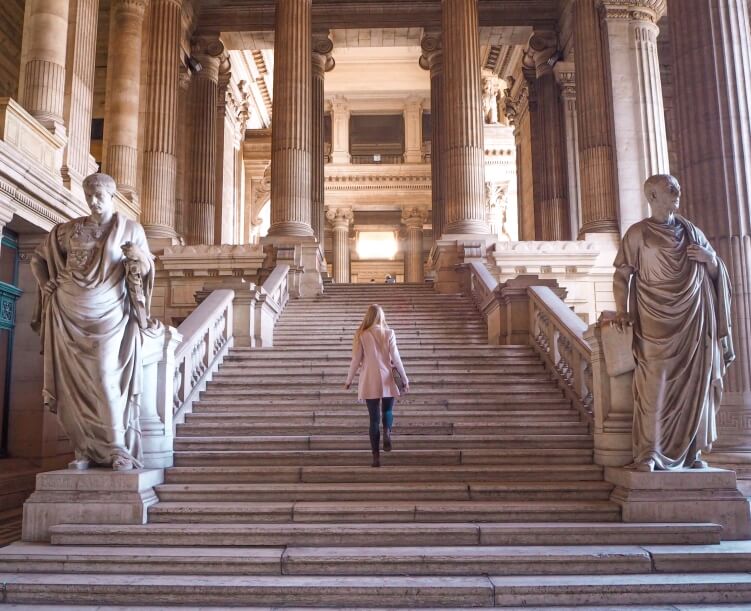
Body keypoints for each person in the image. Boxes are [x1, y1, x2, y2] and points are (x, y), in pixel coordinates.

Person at [30, 172, 156, 471]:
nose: (93, 202)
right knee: (72, 384)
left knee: (104, 377)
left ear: (112, 196)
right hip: (67, 311)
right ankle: (84, 448)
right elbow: (38, 259)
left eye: (99, 196)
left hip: (110, 315)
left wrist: (138, 256)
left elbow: (147, 266)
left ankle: (117, 448)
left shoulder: (130, 228)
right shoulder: (68, 230)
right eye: (89, 197)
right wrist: (46, 282)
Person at [613, 174, 734, 472]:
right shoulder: (638, 233)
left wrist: (711, 260)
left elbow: (718, 272)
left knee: (696, 383)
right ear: (652, 196)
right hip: (654, 322)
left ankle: (692, 452)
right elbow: (622, 276)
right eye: (670, 189)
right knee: (656, 385)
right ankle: (650, 453)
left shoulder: (692, 232)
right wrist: (622, 310)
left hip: (694, 320)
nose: (677, 192)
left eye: (677, 187)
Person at [345, 304, 409, 467]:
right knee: (387, 410)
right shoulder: (389, 333)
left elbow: (356, 360)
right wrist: (404, 377)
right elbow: (396, 357)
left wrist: (349, 379)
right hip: (387, 376)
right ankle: (387, 432)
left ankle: (376, 458)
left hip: (369, 377)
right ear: (381, 316)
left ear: (368, 316)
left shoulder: (362, 334)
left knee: (373, 420)